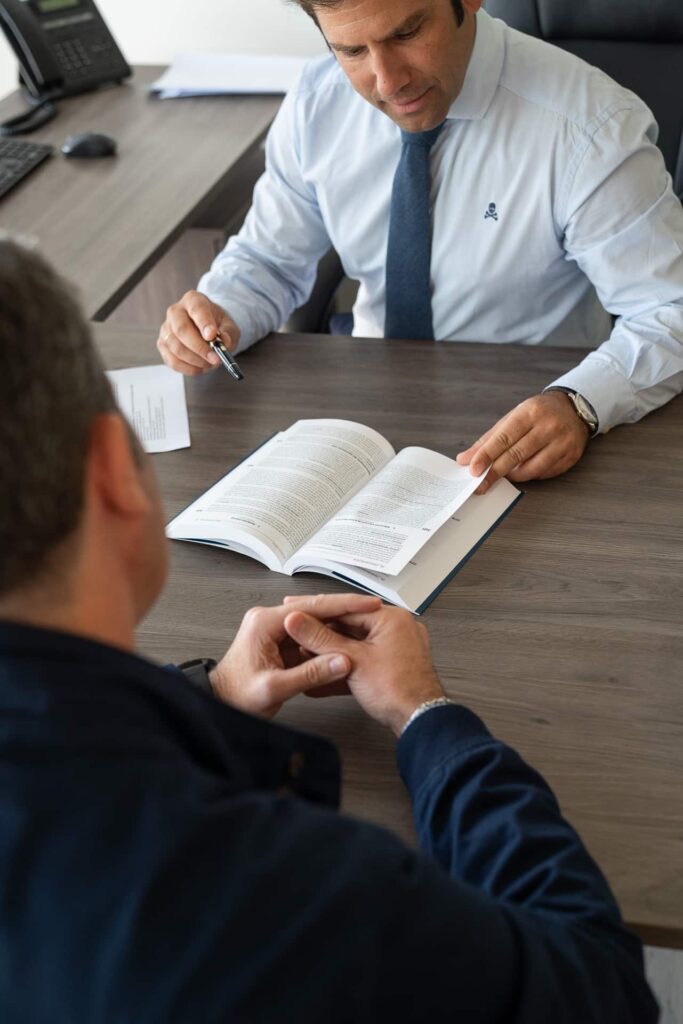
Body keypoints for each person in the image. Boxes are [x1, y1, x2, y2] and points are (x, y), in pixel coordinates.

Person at [0, 236, 658, 1021]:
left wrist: (204, 698)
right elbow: (596, 990)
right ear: (115, 470)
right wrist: (427, 717)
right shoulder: (278, 899)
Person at [157, 0, 683, 495]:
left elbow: (668, 308)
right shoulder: (317, 103)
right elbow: (268, 260)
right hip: (358, 417)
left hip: (520, 429)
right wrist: (220, 311)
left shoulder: (590, 128)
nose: (388, 82)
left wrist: (581, 403)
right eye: (353, 51)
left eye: (407, 33)